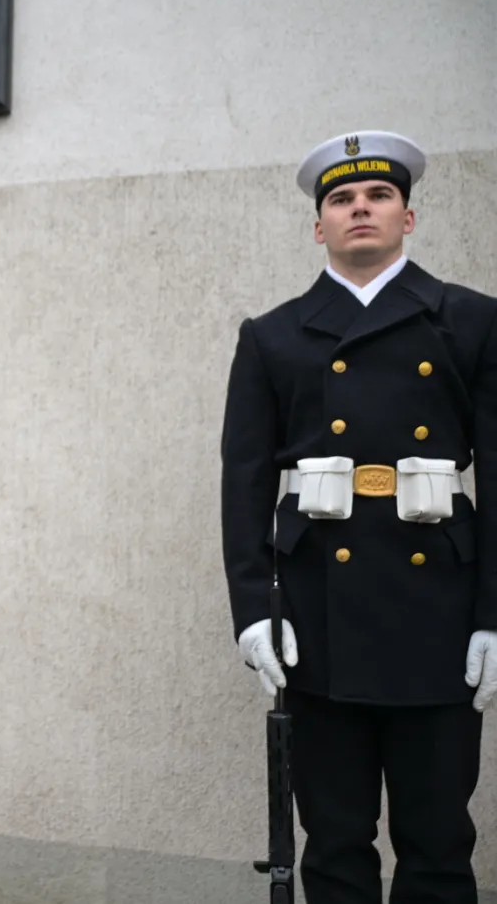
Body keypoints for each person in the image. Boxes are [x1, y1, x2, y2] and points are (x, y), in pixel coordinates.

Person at [221, 131, 497, 903]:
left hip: (438, 611)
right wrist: (252, 610)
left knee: (438, 842)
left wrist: (493, 614)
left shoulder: (471, 323)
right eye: (340, 200)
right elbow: (243, 482)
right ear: (319, 228)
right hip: (319, 616)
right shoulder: (272, 336)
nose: (360, 209)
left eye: (378, 196)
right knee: (336, 845)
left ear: (409, 217)